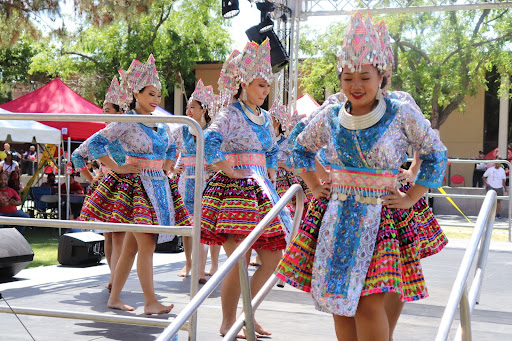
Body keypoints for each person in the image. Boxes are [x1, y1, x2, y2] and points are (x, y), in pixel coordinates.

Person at [275, 13, 447, 341]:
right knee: (340, 305)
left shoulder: (400, 113)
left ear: (382, 76)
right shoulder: (330, 115)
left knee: (368, 305)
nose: (355, 86)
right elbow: (298, 148)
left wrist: (412, 195)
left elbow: (435, 152)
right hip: (337, 218)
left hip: (382, 218)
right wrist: (314, 183)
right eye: (348, 77)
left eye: (365, 77)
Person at [78, 55, 191, 315]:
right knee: (147, 244)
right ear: (136, 93)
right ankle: (150, 301)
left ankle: (114, 297)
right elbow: (92, 146)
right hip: (136, 190)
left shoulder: (159, 123)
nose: (156, 99)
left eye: (159, 95)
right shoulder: (125, 120)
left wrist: (169, 165)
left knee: (130, 247)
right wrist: (116, 167)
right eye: (151, 93)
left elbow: (172, 147)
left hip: (160, 186)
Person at [201, 39, 292, 337]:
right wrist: (228, 168)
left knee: (273, 259)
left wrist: (270, 174)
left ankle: (245, 315)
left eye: (267, 86)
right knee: (238, 261)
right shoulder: (230, 114)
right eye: (260, 85)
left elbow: (272, 151)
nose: (265, 91)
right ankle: (228, 322)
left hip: (261, 193)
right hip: (234, 194)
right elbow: (209, 141)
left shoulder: (266, 119)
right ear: (243, 83)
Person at [72, 76, 127, 292]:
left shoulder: (126, 132)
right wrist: (92, 178)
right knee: (112, 235)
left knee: (117, 235)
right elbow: (77, 156)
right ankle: (114, 277)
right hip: (111, 187)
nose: (104, 114)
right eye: (103, 109)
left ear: (120, 112)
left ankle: (115, 277)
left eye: (108, 110)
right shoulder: (101, 135)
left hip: (127, 188)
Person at [170, 79, 220, 283]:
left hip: (207, 180)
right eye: (188, 107)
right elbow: (165, 147)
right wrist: (172, 167)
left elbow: (224, 154)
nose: (189, 110)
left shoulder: (213, 131)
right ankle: (189, 263)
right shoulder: (181, 130)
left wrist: (217, 166)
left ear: (204, 109)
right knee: (187, 225)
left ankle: (210, 265)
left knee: (208, 224)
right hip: (186, 181)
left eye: (193, 107)